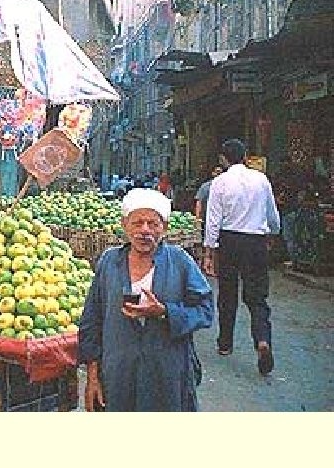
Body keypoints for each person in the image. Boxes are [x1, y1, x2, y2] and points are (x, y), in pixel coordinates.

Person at [78, 188, 213, 411]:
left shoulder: (179, 261)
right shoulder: (110, 262)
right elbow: (92, 320)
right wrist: (92, 375)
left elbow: (205, 310)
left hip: (166, 376)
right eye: (137, 222)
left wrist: (165, 312)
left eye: (153, 224)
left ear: (165, 228)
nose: (145, 231)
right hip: (118, 376)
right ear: (124, 225)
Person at [203, 139, 280, 376]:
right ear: (245, 156)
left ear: (223, 159)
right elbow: (272, 215)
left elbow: (213, 219)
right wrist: (272, 233)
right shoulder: (261, 179)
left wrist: (209, 251)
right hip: (255, 241)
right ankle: (262, 340)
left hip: (230, 241)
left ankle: (225, 343)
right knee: (257, 296)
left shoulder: (220, 182)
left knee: (227, 293)